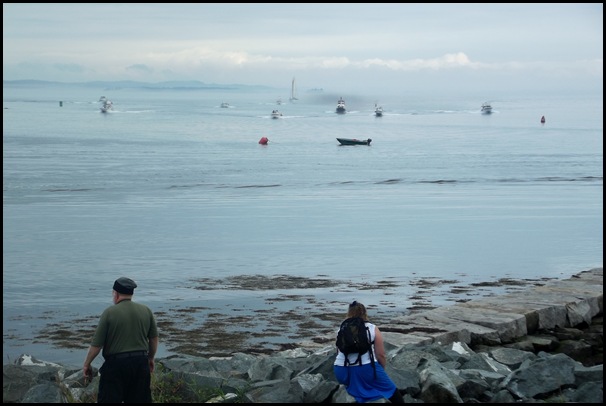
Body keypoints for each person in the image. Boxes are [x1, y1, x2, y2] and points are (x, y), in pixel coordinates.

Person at [83, 277, 159, 403]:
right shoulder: (146, 311)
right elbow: (154, 339)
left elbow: (97, 345)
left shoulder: (109, 313)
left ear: (116, 294)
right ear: (131, 293)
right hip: (140, 363)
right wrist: (150, 358)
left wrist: (87, 364)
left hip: (116, 366)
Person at [333, 301, 404, 403]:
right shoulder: (371, 328)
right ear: (364, 312)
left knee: (355, 393)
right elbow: (381, 355)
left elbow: (338, 351)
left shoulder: (342, 328)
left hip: (341, 370)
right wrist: (381, 370)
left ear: (349, 313)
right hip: (365, 369)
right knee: (392, 391)